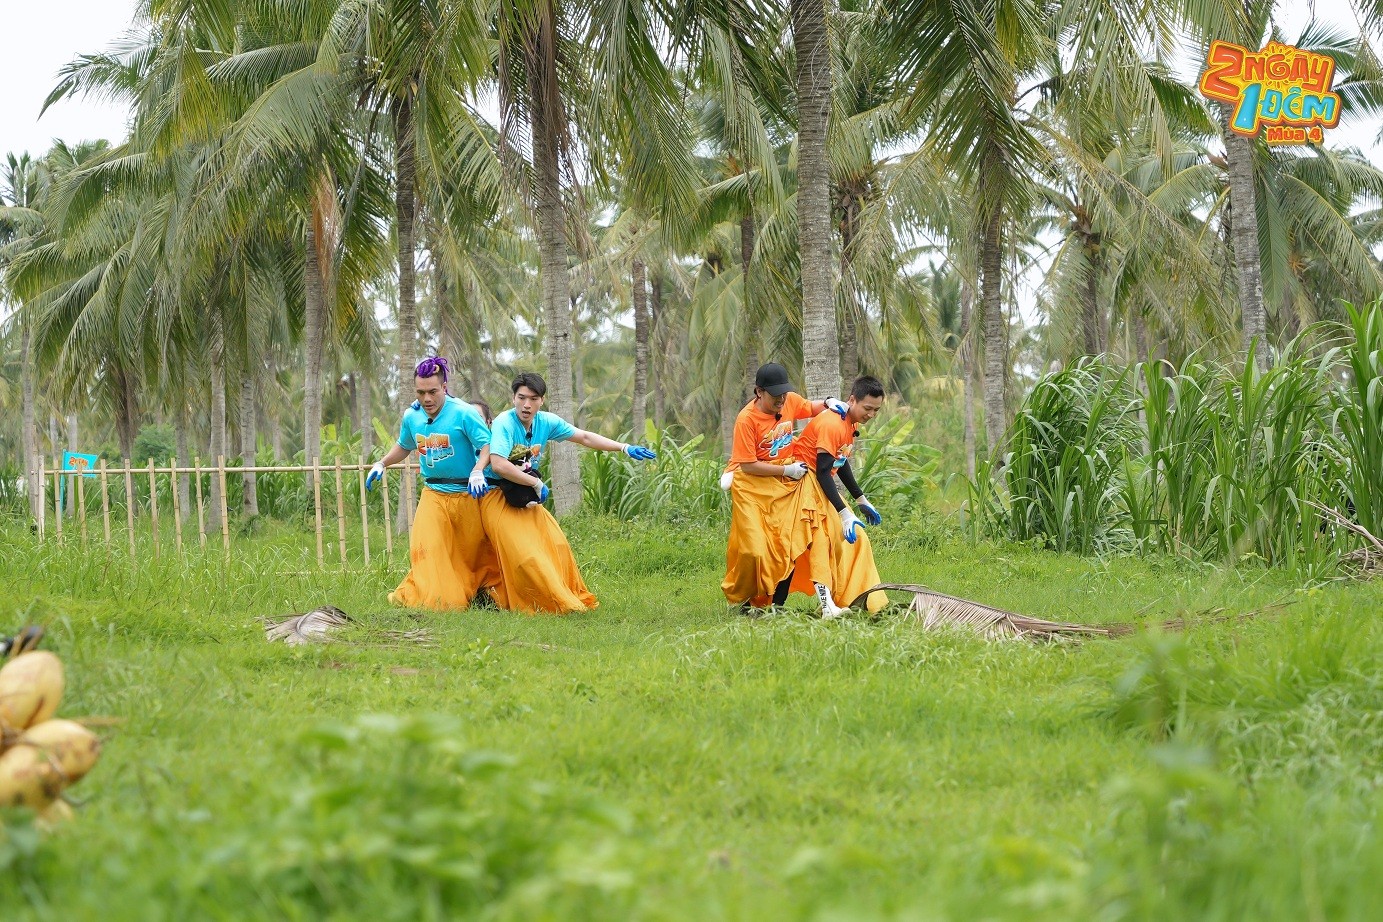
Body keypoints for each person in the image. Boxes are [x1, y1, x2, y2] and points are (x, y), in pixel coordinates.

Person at [481, 372, 657, 614]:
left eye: (533, 398)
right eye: (521, 398)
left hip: (525, 497)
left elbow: (584, 436)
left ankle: (561, 595)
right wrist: (536, 484)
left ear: (542, 400)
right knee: (526, 556)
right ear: (513, 398)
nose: (526, 404)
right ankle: (533, 603)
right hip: (496, 494)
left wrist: (624, 447)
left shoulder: (546, 422)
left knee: (557, 546)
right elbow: (499, 464)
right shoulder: (504, 422)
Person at [367, 357, 500, 610]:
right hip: (433, 494)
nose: (426, 399)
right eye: (420, 392)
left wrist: (478, 470)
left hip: (467, 495)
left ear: (445, 387)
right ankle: (437, 599)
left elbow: (487, 444)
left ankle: (479, 595)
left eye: (432, 392)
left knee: (470, 557)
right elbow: (404, 445)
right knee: (427, 550)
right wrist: (382, 463)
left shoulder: (464, 413)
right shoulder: (411, 416)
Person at [720, 362, 847, 611]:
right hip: (754, 488)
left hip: (787, 487)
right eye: (775, 394)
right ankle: (744, 598)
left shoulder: (788, 401)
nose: (781, 399)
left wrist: (830, 402)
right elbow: (748, 466)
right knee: (755, 550)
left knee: (789, 544)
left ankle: (776, 606)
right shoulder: (746, 420)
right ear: (759, 392)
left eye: (784, 393)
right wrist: (786, 470)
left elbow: (809, 407)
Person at [785, 375, 889, 618]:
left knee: (858, 539)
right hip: (804, 481)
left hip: (818, 482)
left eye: (876, 410)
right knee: (825, 539)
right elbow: (822, 471)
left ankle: (856, 598)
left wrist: (861, 499)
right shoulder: (833, 424)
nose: (871, 415)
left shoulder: (850, 423)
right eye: (867, 408)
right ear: (852, 399)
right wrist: (843, 514)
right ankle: (826, 605)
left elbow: (839, 463)